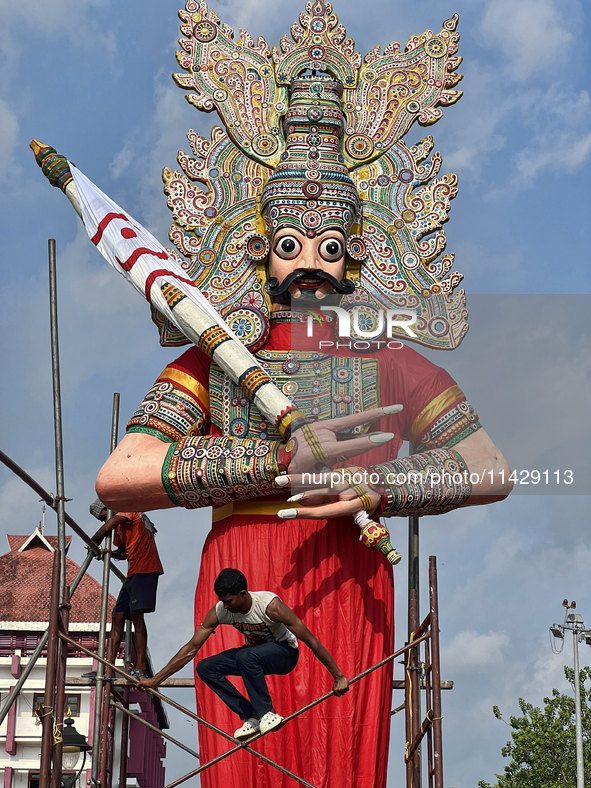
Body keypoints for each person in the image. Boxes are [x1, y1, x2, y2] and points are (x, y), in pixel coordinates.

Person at [33, 4, 513, 784]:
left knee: (337, 755)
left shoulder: (389, 359)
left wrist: (381, 482)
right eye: (291, 246)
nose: (310, 264)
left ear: (356, 256)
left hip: (351, 572)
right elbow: (121, 472)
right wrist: (274, 462)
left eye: (329, 246)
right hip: (244, 569)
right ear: (261, 252)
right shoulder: (219, 359)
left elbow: (488, 466)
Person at [138, 568, 348, 739]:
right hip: (253, 655)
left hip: (285, 654)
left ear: (242, 594)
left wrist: (338, 676)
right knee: (206, 667)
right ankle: (252, 715)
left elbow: (310, 640)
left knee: (246, 656)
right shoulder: (221, 611)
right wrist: (156, 680)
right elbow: (191, 648)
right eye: (222, 601)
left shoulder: (269, 606)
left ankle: (268, 713)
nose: (226, 606)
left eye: (229, 601)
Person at [86, 499, 164, 679]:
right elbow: (123, 552)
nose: (104, 521)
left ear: (108, 509)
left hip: (146, 569)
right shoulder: (119, 529)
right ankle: (108, 667)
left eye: (103, 516)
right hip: (133, 572)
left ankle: (141, 667)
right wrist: (112, 554)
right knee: (118, 615)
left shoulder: (128, 510)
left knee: (137, 615)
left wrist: (92, 544)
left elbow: (106, 529)